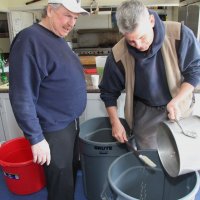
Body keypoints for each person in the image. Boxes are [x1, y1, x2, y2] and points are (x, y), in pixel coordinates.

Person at [8, 0, 88, 199]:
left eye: (75, 18)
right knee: (60, 183)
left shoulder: (57, 37)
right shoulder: (30, 40)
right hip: (52, 129)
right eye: (67, 15)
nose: (72, 23)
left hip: (68, 124)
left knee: (69, 176)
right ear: (50, 11)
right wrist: (36, 138)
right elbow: (22, 94)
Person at [99, 0, 200, 150]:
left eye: (142, 37)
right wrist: (115, 122)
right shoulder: (118, 54)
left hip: (179, 106)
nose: (138, 45)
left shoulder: (179, 34)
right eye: (131, 41)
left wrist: (176, 101)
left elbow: (195, 71)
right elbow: (108, 92)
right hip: (145, 113)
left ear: (151, 21)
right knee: (151, 161)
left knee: (181, 155)